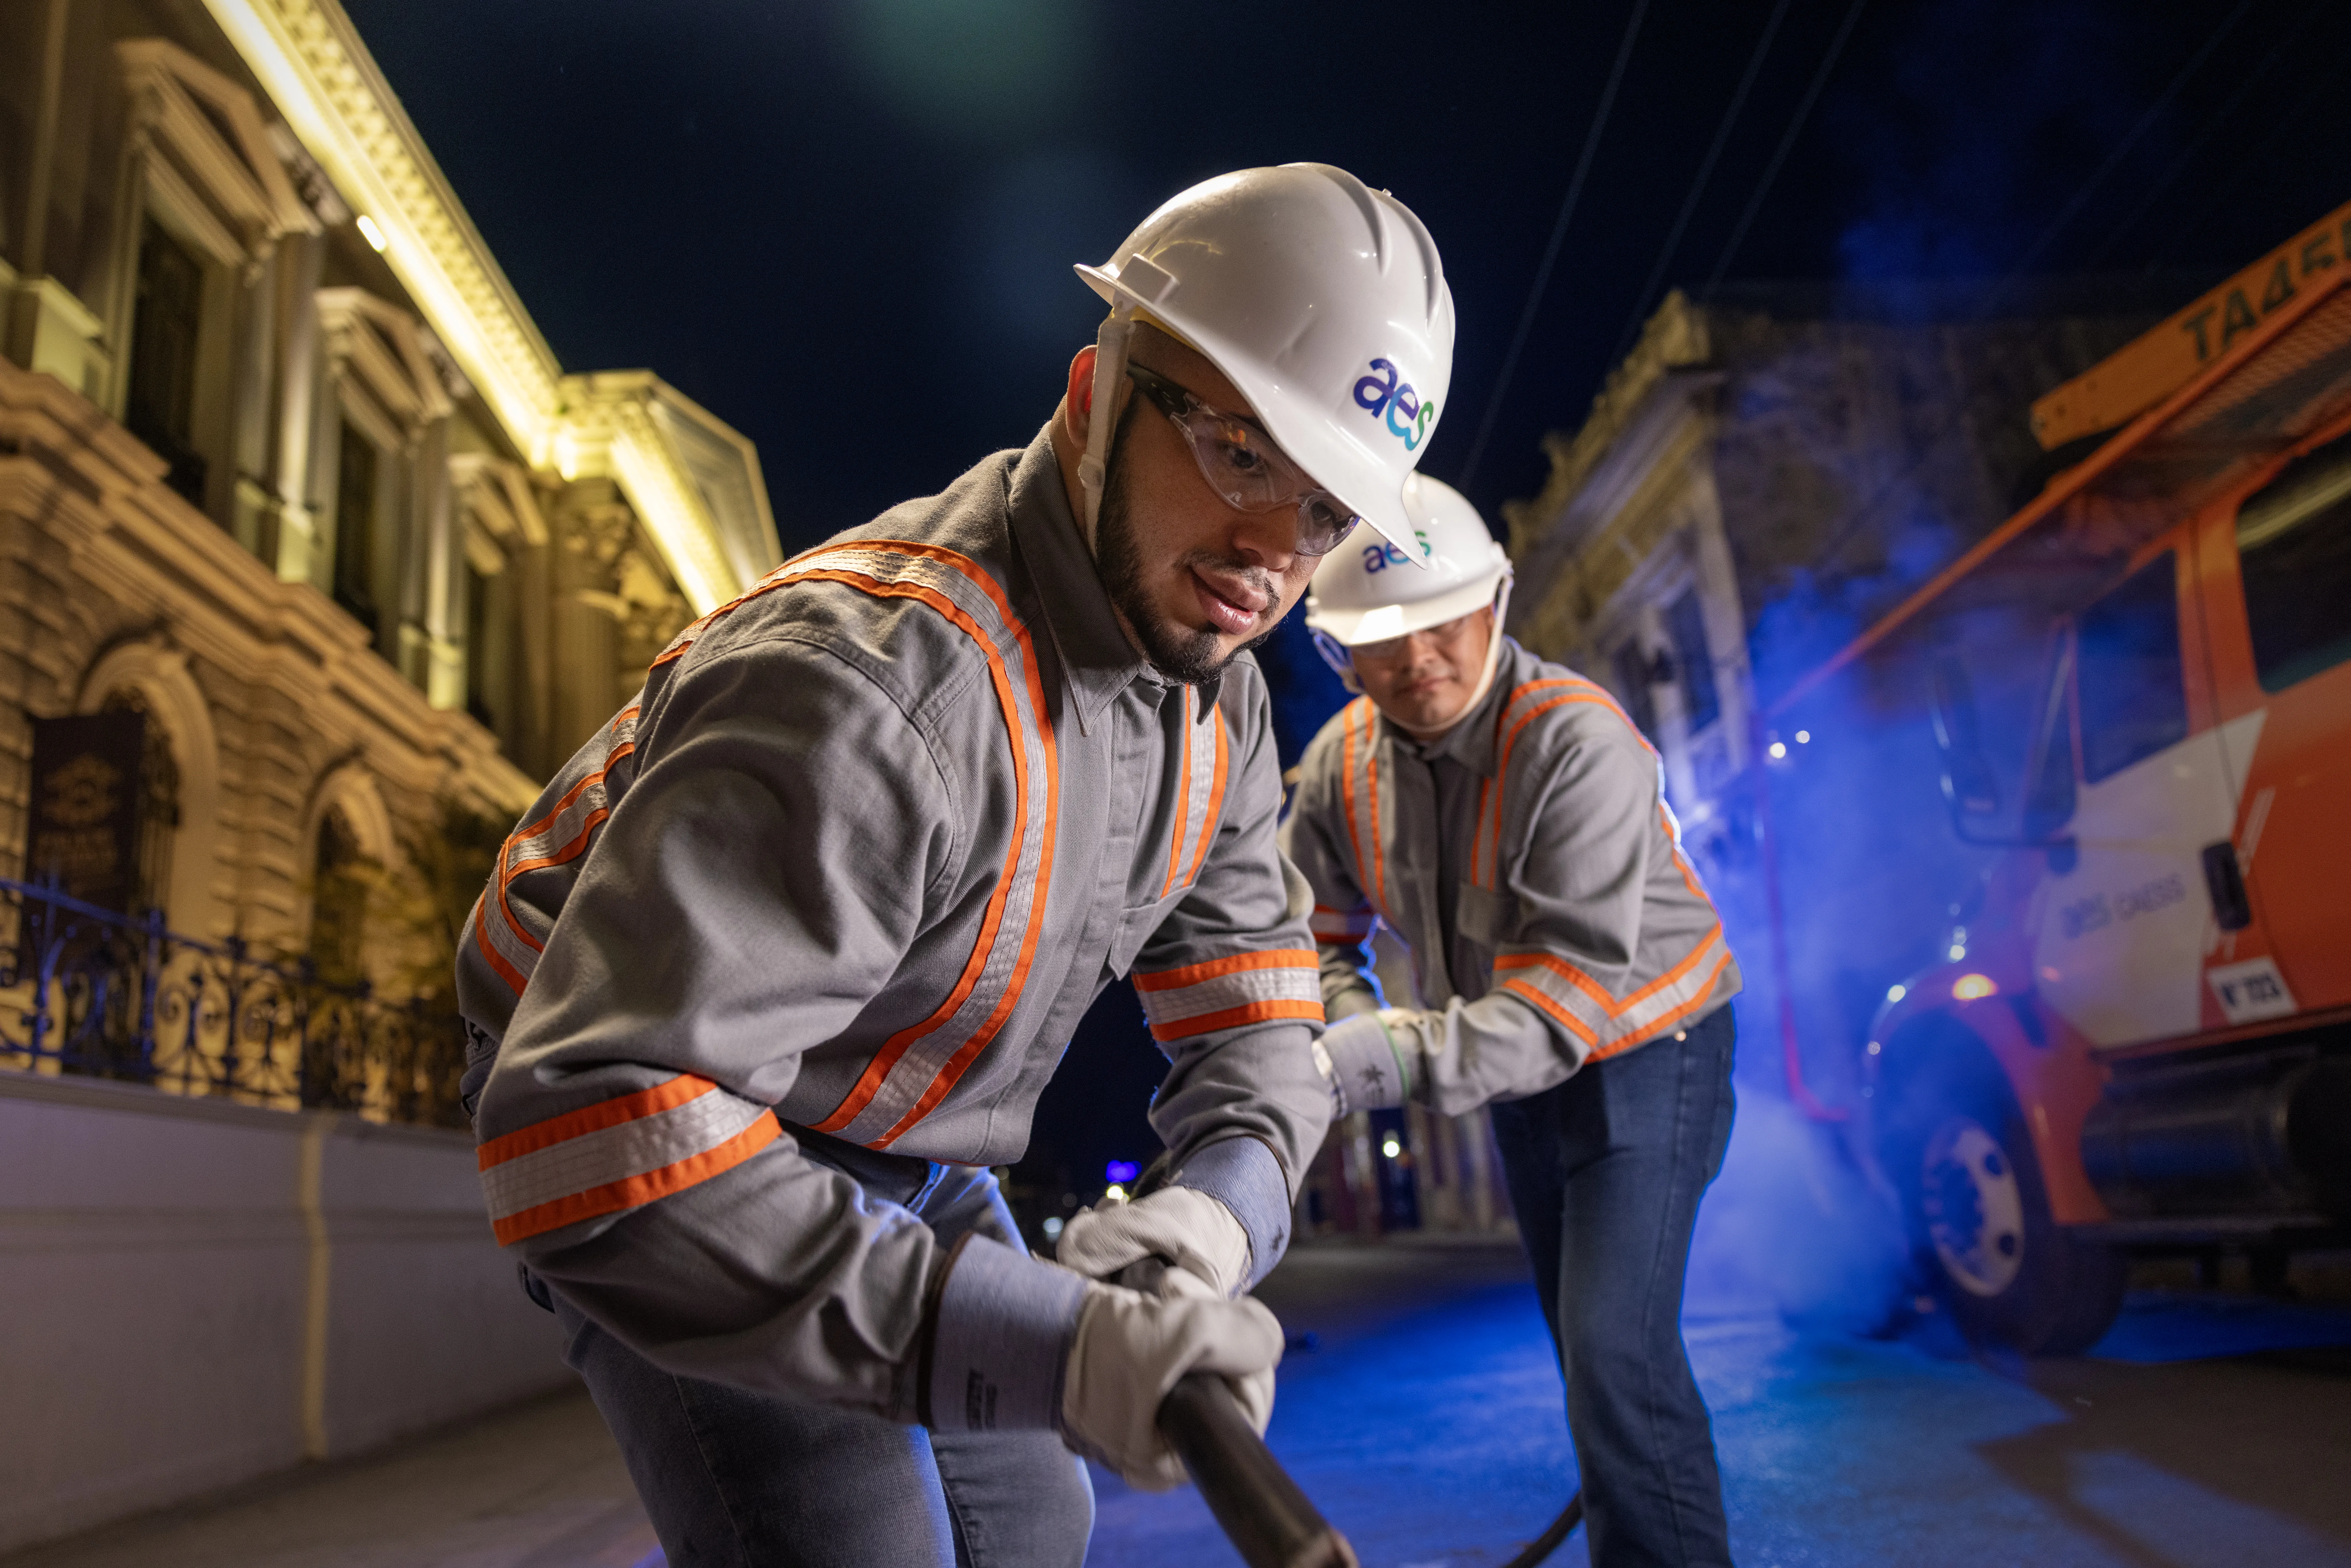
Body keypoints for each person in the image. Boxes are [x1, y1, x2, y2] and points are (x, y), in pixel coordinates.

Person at [453, 164, 1456, 1568]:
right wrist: (1053, 1347)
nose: (1269, 556)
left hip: (900, 1131)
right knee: (861, 1535)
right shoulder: (874, 695)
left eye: (1326, 513)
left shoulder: (1212, 697)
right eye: (1240, 453)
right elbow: (586, 1124)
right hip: (678, 1115)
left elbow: (1262, 1032)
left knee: (1036, 1518)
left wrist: (1204, 1229)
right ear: (1095, 395)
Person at [1281, 474, 1740, 1568]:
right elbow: (1319, 940)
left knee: (1616, 1356)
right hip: (1516, 1065)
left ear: (1495, 603)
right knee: (1593, 1362)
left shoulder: (1575, 743)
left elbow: (1558, 1005)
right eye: (1382, 641)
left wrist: (1384, 1057)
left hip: (1650, 1046)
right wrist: (1352, 1019)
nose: (1419, 662)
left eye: (1444, 623)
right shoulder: (1340, 769)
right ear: (1338, 655)